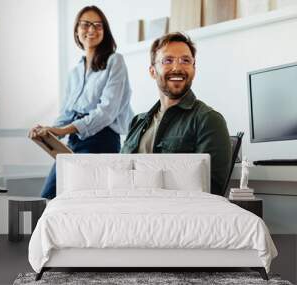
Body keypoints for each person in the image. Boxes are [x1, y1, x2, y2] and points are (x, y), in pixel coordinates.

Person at [31, 6, 133, 199]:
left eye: (97, 25)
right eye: (86, 24)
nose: (91, 30)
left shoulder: (115, 61)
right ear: (77, 30)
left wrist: (62, 130)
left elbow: (106, 113)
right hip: (74, 141)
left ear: (105, 30)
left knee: (87, 203)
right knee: (48, 198)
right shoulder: (75, 71)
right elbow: (67, 113)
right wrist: (47, 131)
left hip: (102, 140)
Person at [121, 32, 231, 196]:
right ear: (152, 71)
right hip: (130, 212)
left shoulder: (209, 120)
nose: (177, 67)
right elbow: (120, 175)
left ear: (194, 69)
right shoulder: (138, 121)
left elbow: (211, 192)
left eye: (185, 61)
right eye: (168, 60)